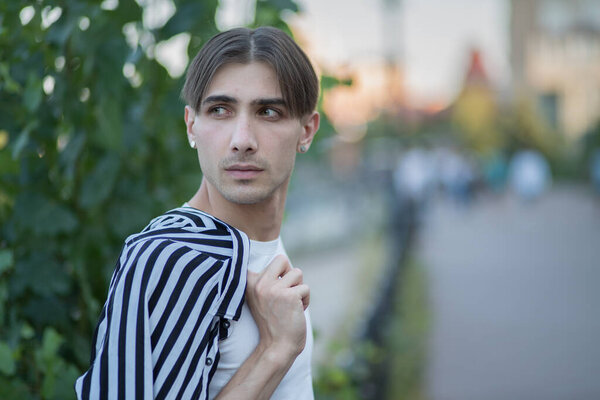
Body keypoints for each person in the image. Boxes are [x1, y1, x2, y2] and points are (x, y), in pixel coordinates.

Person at [75, 26, 320, 400]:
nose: (242, 140)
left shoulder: (261, 246)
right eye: (220, 110)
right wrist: (275, 351)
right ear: (192, 125)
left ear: (306, 130)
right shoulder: (170, 258)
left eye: (268, 111)